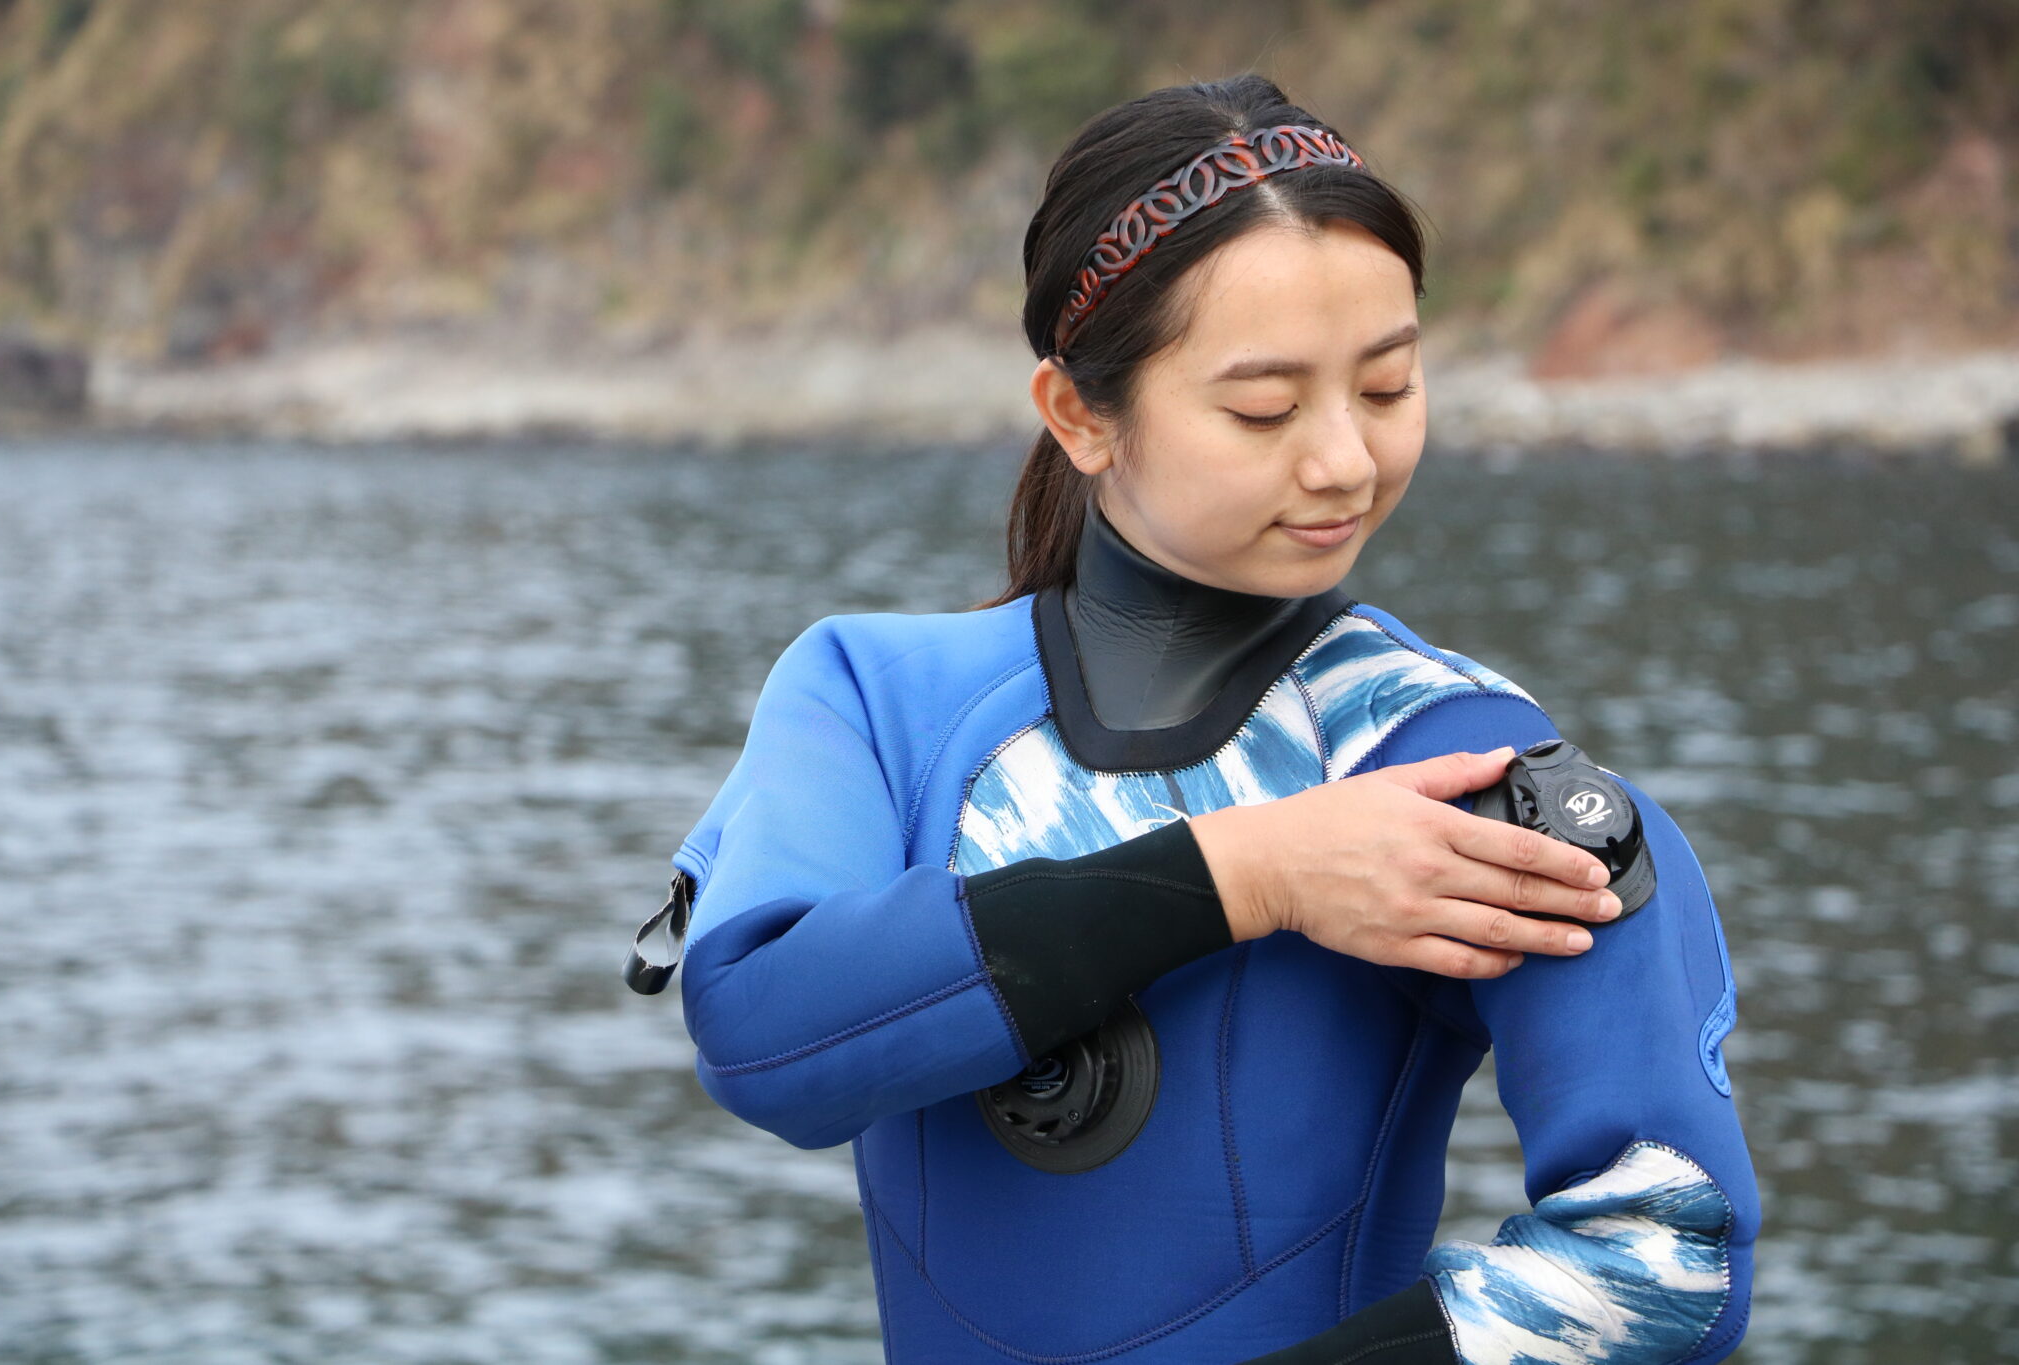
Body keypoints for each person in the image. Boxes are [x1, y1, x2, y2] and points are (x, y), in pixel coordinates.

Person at [627, 74, 1758, 1365]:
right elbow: (770, 1037)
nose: (1342, 460)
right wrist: (1251, 872)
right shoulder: (881, 697)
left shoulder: (1452, 760)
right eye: (1264, 408)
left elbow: (1668, 1252)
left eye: (1386, 387)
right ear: (1079, 415)